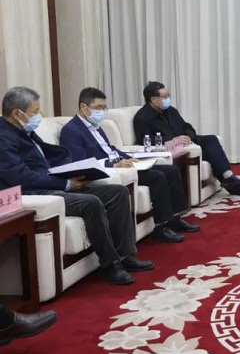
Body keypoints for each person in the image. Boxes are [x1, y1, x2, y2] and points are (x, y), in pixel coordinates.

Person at [0, 86, 153, 285]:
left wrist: (71, 171)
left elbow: (47, 160)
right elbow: (20, 176)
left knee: (117, 192)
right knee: (91, 203)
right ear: (16, 113)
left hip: (51, 181)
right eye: (35, 111)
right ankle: (110, 265)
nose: (38, 116)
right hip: (35, 192)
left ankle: (125, 255)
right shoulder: (3, 138)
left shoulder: (23, 130)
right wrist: (64, 183)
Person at [60, 87, 200, 244]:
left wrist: (130, 157)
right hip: (111, 171)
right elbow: (81, 162)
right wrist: (114, 164)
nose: (102, 112)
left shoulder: (95, 127)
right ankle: (161, 227)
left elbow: (110, 149)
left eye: (104, 107)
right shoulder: (71, 131)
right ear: (83, 107)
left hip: (122, 164)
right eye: (98, 107)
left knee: (171, 171)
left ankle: (175, 218)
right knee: (157, 176)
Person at [133, 81, 240, 196]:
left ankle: (228, 177)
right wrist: (175, 139)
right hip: (171, 146)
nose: (168, 99)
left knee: (211, 140)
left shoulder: (170, 111)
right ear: (153, 99)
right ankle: (232, 183)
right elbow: (144, 140)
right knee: (208, 151)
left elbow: (187, 126)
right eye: (165, 97)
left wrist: (189, 135)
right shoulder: (142, 117)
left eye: (168, 96)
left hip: (187, 141)